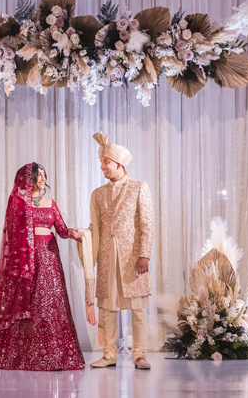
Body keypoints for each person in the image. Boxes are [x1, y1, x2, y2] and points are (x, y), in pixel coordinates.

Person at [0, 162, 86, 370]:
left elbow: (62, 230)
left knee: (51, 301)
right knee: (31, 301)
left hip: (49, 257)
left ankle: (56, 354)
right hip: (27, 260)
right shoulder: (18, 202)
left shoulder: (50, 203)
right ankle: (25, 355)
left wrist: (73, 233)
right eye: (38, 175)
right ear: (27, 179)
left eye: (44, 175)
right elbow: (11, 236)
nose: (42, 179)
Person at [87, 133, 154, 370]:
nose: (102, 167)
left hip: (132, 258)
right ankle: (109, 355)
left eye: (106, 162)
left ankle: (139, 354)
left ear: (119, 164)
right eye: (101, 162)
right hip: (107, 258)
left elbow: (147, 224)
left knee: (137, 308)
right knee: (107, 308)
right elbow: (95, 228)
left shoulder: (138, 187)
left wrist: (144, 254)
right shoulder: (97, 194)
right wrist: (81, 235)